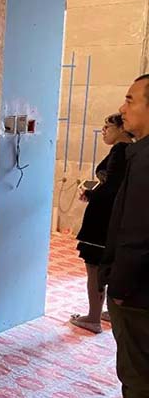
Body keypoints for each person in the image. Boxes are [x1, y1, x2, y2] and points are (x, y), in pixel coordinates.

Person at [75, 74, 149, 398]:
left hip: (136, 294)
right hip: (134, 286)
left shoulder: (144, 160)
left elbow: (137, 231)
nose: (123, 108)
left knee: (137, 377)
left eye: (131, 99)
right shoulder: (138, 154)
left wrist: (118, 287)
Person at [70, 113, 131, 334]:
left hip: (102, 220)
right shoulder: (133, 151)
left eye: (108, 126)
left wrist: (90, 194)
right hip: (116, 219)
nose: (103, 131)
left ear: (122, 128)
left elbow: (112, 189)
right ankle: (111, 312)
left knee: (95, 268)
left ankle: (93, 318)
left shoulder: (120, 151)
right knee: (111, 267)